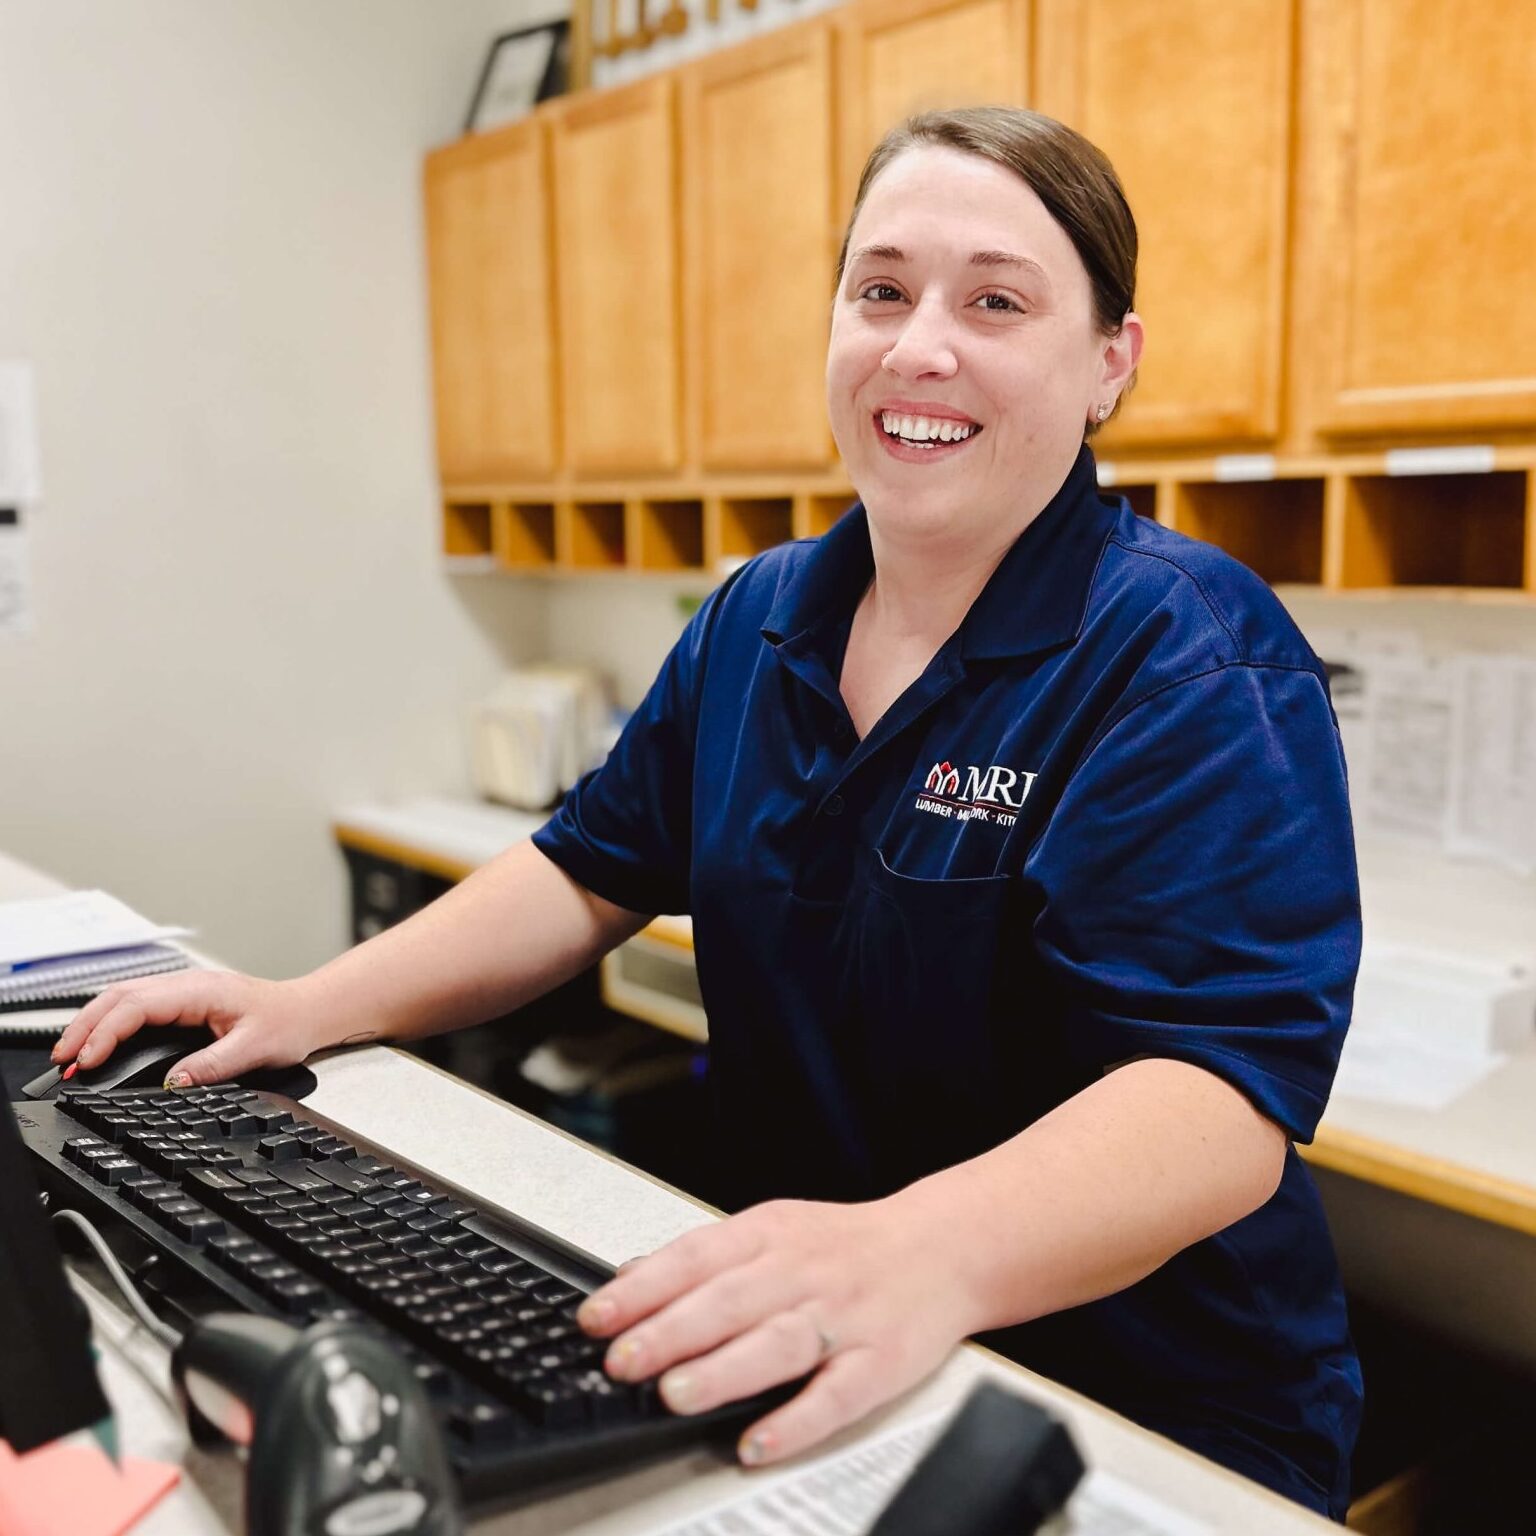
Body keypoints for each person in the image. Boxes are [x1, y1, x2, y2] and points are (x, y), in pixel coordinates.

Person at [53, 107, 1363, 1520]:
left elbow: (1217, 1098)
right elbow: (585, 869)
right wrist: (307, 1004)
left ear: (1111, 359)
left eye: (996, 301)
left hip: (1133, 1402)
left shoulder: (1187, 655)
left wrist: (919, 1253)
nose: (919, 348)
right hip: (800, 1329)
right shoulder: (759, 616)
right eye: (881, 290)